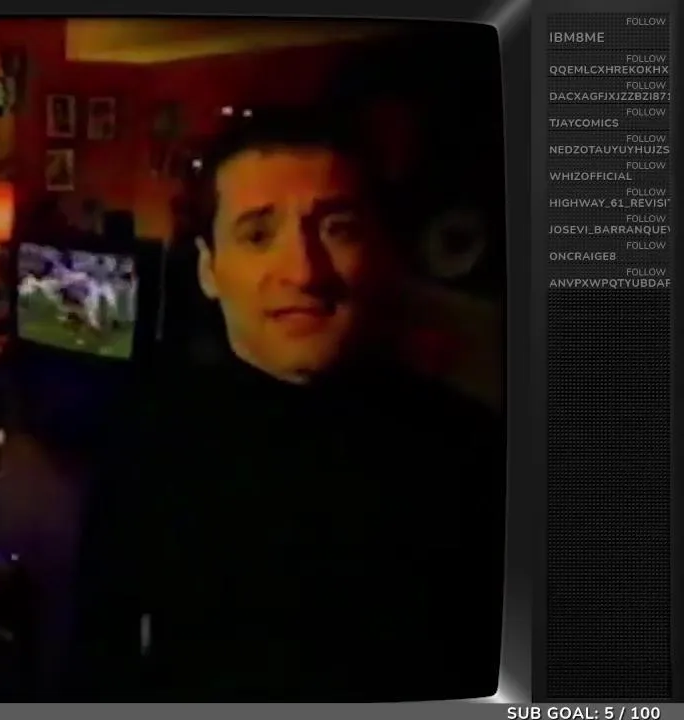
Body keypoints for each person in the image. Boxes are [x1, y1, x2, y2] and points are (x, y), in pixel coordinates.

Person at [75, 110, 505, 701]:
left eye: (337, 229)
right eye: (257, 235)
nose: (304, 271)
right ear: (208, 269)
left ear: (378, 252)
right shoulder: (146, 438)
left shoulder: (476, 452)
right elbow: (100, 659)